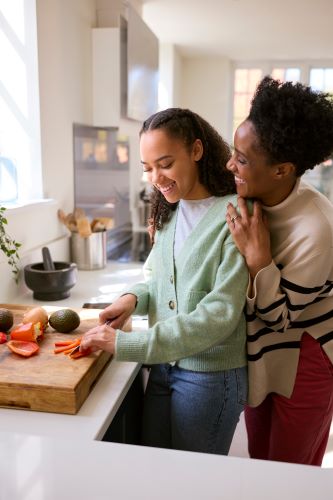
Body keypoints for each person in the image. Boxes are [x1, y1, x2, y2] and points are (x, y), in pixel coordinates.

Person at [81, 108, 248, 455]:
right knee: (153, 473)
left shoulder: (235, 213)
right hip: (164, 366)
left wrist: (128, 345)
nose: (156, 177)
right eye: (147, 168)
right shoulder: (169, 211)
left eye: (165, 163)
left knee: (192, 485)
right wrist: (130, 299)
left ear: (197, 151)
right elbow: (156, 279)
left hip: (210, 376)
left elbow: (219, 313)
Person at [225, 76, 333, 466]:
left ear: (282, 169)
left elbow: (280, 318)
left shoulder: (317, 227)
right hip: (259, 350)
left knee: (291, 471)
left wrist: (259, 260)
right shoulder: (249, 194)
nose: (230, 164)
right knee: (261, 461)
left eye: (242, 159)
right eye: (233, 151)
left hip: (306, 354)